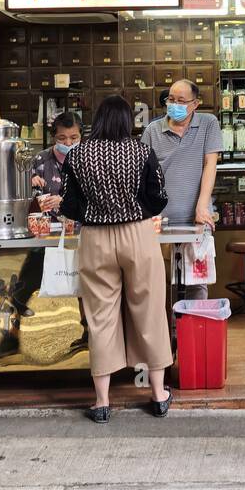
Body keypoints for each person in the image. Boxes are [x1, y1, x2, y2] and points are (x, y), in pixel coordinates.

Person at [65, 95, 173, 422]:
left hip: (95, 239)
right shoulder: (140, 150)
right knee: (149, 310)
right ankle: (157, 394)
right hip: (138, 235)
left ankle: (101, 401)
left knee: (100, 317)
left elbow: (69, 204)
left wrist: (96, 211)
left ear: (97, 120)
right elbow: (158, 196)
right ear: (128, 121)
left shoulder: (79, 153)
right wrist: (136, 212)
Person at [0, 111, 88, 360]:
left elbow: (94, 197)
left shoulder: (88, 160)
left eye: (73, 138)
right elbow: (24, 200)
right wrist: (34, 198)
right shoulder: (40, 160)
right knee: (22, 285)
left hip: (79, 236)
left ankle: (89, 335)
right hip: (44, 237)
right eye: (62, 138)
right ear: (53, 137)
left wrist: (65, 201)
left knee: (84, 288)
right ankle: (11, 338)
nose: (68, 144)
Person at [141, 78, 222, 301]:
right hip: (162, 219)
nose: (174, 105)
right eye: (171, 99)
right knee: (162, 280)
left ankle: (195, 331)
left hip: (197, 216)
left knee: (197, 279)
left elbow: (210, 164)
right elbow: (145, 175)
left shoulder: (208, 123)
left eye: (181, 101)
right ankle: (168, 331)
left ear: (195, 104)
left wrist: (202, 206)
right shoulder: (152, 130)